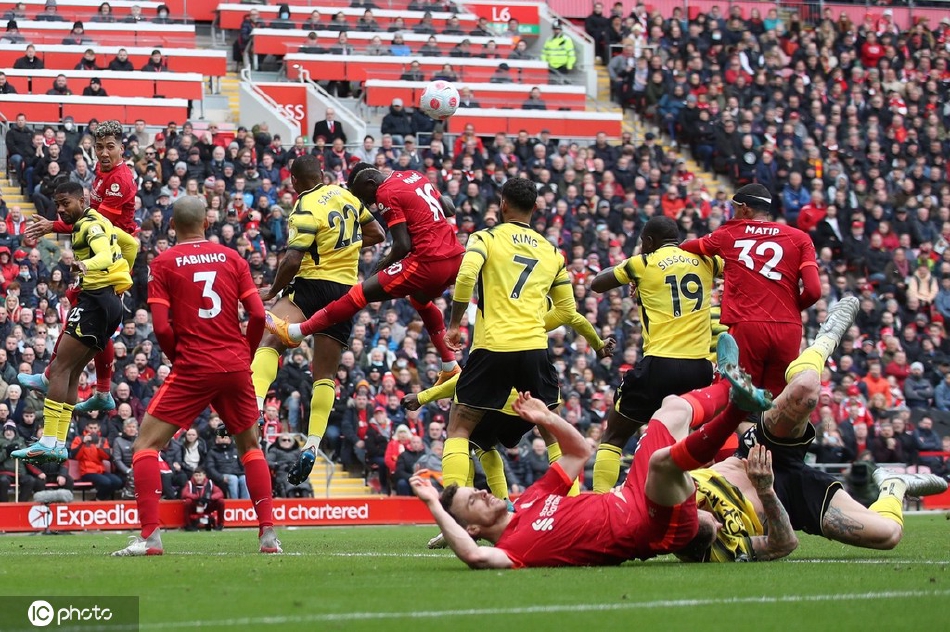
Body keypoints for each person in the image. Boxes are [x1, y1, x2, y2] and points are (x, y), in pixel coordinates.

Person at [410, 334, 771, 568]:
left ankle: (727, 383)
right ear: (472, 527)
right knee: (662, 463)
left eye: (476, 490)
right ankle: (737, 409)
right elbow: (474, 556)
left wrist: (547, 417)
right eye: (474, 500)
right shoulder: (514, 549)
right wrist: (432, 504)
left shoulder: (531, 500)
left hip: (633, 493)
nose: (484, 493)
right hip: (656, 525)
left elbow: (579, 452)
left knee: (671, 409)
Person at [677, 297, 947, 562]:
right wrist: (766, 490)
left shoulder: (673, 498)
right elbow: (784, 544)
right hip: (788, 501)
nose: (720, 523)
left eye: (709, 517)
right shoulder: (721, 550)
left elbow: (672, 454)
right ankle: (893, 485)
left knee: (805, 391)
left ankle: (824, 341)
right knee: (888, 535)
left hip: (756, 454)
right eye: (718, 529)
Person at [111, 196, 280, 557]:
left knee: (145, 446)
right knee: (250, 448)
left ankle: (151, 537)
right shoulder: (233, 258)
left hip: (193, 365)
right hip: (235, 365)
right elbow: (257, 314)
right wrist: (247, 353)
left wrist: (179, 359)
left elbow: (160, 326)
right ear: (207, 223)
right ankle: (267, 534)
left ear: (172, 225)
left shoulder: (162, 262)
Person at [265, 163, 465, 392]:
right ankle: (449, 364)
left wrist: (376, 272)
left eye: (364, 196)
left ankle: (296, 332)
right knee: (420, 300)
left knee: (359, 293)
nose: (369, 204)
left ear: (370, 183)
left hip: (428, 261)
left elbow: (402, 245)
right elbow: (448, 207)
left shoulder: (386, 191)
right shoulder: (413, 175)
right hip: (455, 258)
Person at [251, 155, 383, 485]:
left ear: (294, 181)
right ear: (322, 173)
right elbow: (377, 233)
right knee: (324, 375)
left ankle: (255, 406)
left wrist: (273, 290)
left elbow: (293, 259)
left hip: (311, 286)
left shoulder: (305, 206)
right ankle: (311, 445)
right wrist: (345, 247)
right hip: (344, 293)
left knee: (270, 341)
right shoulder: (348, 196)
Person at [588, 216, 721, 492]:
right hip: (701, 368)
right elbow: (732, 266)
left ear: (649, 241)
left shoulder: (643, 263)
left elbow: (597, 284)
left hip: (661, 363)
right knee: (689, 442)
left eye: (642, 243)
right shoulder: (706, 261)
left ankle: (600, 502)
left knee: (614, 436)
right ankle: (696, 503)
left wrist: (632, 271)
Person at [20, 120, 139, 414]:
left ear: (122, 149)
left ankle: (57, 378)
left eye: (110, 147)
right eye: (99, 147)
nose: (104, 153)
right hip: (102, 250)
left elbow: (93, 222)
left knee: (86, 317)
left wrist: (53, 226)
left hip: (110, 256)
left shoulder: (120, 180)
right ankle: (100, 390)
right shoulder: (102, 171)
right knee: (90, 321)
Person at [12, 181, 131, 464]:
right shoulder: (96, 221)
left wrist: (88, 265)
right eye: (58, 205)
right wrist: (122, 276)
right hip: (108, 302)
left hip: (95, 302)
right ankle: (58, 443)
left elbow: (103, 253)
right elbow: (131, 243)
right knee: (72, 371)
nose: (61, 209)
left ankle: (48, 441)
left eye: (66, 203)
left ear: (83, 200)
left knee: (59, 368)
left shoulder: (90, 226)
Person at [679, 183, 821, 396]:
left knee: (736, 397)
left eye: (735, 208)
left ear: (745, 208)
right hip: (788, 328)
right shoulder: (800, 237)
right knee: (776, 402)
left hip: (748, 323)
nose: (733, 213)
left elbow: (688, 247)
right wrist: (791, 309)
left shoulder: (729, 233)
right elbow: (814, 291)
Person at [180, 467, 225, 531]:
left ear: (204, 476)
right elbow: (184, 493)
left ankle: (220, 524)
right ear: (193, 476)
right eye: (196, 475)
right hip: (195, 507)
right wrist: (196, 497)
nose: (198, 478)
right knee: (188, 501)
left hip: (207, 505)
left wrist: (210, 498)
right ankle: (188, 525)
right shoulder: (189, 483)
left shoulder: (210, 483)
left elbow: (220, 493)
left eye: (200, 475)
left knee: (221, 501)